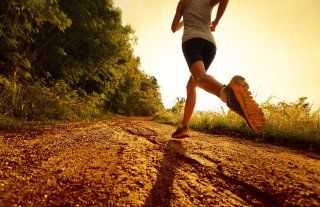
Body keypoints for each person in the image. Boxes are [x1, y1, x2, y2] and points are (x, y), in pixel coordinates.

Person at [171, 0, 265, 138]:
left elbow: (174, 28)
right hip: (210, 44)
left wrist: (185, 19)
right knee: (192, 84)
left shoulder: (183, 2)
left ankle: (227, 93)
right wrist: (215, 22)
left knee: (199, 78)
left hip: (192, 41)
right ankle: (184, 125)